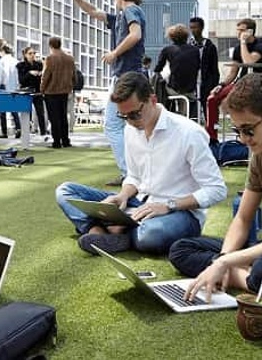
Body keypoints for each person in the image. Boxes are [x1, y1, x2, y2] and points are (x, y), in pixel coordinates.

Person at [56, 72, 227, 255]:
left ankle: (111, 230)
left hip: (181, 213)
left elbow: (217, 190)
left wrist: (168, 205)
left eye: (135, 114)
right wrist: (122, 196)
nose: (130, 121)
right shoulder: (131, 129)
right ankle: (100, 231)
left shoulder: (188, 133)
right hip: (139, 204)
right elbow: (135, 176)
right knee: (64, 192)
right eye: (124, 116)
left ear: (152, 100)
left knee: (151, 235)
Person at [169, 73, 262, 303]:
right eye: (237, 130)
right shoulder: (259, 159)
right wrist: (225, 257)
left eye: (248, 130)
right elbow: (243, 219)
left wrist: (223, 264)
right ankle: (246, 277)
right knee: (181, 249)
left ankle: (246, 279)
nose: (242, 140)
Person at [67, 0, 146, 186]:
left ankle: (130, 174)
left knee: (113, 125)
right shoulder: (121, 16)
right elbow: (93, 12)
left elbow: (135, 35)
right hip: (126, 75)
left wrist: (114, 52)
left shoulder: (131, 11)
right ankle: (136, 171)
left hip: (126, 75)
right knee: (131, 125)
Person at [206, 18, 262, 141]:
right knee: (212, 98)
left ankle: (243, 128)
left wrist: (243, 42)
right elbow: (233, 72)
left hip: (257, 83)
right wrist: (221, 85)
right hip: (241, 82)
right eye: (238, 30)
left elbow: (248, 61)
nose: (238, 33)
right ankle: (212, 136)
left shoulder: (259, 46)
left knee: (243, 102)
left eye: (242, 30)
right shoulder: (237, 49)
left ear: (250, 31)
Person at [154, 24, 200, 119]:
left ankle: (165, 112)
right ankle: (187, 116)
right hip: (190, 89)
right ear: (186, 36)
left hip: (174, 89)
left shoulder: (167, 50)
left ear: (171, 37)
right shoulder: (195, 50)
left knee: (159, 83)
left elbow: (158, 69)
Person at [40, 37, 75, 149]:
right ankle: (65, 140)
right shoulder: (70, 59)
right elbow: (74, 75)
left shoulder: (50, 59)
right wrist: (71, 86)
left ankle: (56, 142)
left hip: (51, 91)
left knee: (54, 117)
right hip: (65, 91)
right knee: (63, 116)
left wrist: (42, 89)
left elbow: (46, 76)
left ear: (50, 45)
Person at [189, 16, 219, 118]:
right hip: (192, 84)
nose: (193, 30)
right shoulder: (189, 45)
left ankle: (211, 131)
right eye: (191, 27)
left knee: (209, 111)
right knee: (192, 111)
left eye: (195, 27)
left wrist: (214, 85)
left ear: (202, 28)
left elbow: (214, 68)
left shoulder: (210, 47)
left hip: (206, 83)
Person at [17, 46, 47, 137]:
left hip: (37, 91)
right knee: (26, 113)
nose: (32, 55)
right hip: (26, 92)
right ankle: (26, 132)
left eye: (34, 53)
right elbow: (21, 80)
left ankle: (43, 132)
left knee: (40, 113)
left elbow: (43, 77)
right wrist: (29, 73)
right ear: (25, 55)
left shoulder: (39, 64)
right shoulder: (21, 65)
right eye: (30, 53)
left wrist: (40, 74)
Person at [0, 43, 21, 139]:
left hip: (4, 87)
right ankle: (18, 129)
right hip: (13, 88)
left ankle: (4, 132)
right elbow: (18, 76)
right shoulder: (16, 61)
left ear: (3, 51)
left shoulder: (1, 61)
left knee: (3, 111)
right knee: (14, 109)